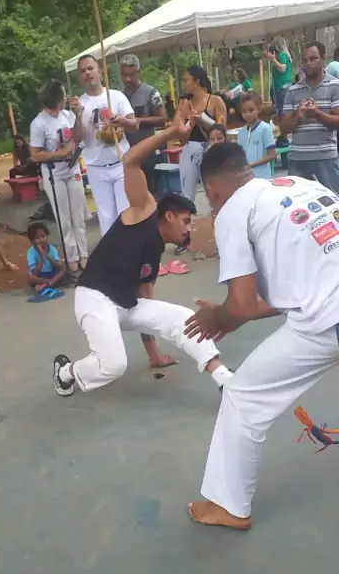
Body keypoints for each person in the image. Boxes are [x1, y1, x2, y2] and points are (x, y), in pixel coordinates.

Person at [184, 142, 339, 529]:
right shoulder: (300, 185)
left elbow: (239, 306)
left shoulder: (231, 211)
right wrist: (234, 314)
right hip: (327, 311)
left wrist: (219, 316)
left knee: (243, 395)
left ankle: (230, 506)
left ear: (212, 191)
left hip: (330, 320)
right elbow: (302, 289)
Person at [52, 101, 232, 397]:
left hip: (125, 304)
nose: (189, 229)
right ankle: (66, 372)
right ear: (169, 216)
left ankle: (224, 378)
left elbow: (147, 304)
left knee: (182, 317)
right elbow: (130, 162)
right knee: (113, 365)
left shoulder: (155, 251)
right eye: (186, 221)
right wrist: (171, 132)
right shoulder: (143, 211)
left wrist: (154, 355)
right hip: (94, 298)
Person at [74, 54, 139, 237]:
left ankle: (130, 251)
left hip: (121, 163)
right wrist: (78, 115)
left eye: (90, 68)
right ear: (80, 76)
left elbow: (134, 126)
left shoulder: (116, 96)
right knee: (106, 217)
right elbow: (77, 139)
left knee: (126, 213)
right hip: (96, 168)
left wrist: (122, 121)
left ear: (100, 71)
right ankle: (112, 252)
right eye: (83, 71)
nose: (87, 73)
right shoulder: (80, 104)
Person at [30, 78, 88, 272]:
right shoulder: (39, 123)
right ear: (56, 98)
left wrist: (78, 115)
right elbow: (35, 154)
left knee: (78, 215)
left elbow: (78, 136)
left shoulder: (67, 115)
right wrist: (59, 154)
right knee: (64, 217)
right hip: (54, 173)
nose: (66, 98)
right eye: (63, 95)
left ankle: (84, 254)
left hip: (72, 169)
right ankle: (72, 257)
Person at [281, 41, 339, 193]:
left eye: (313, 58)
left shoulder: (335, 86)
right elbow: (283, 128)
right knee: (297, 204)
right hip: (298, 159)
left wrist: (316, 113)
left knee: (333, 202)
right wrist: (298, 116)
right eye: (305, 60)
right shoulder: (293, 91)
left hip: (326, 158)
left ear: (323, 58)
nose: (308, 63)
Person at [179, 66, 227, 203]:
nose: (183, 84)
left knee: (215, 191)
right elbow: (182, 140)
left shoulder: (215, 101)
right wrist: (190, 124)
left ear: (197, 82)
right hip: (190, 149)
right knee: (186, 194)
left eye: (186, 80)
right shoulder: (185, 105)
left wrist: (203, 121)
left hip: (212, 148)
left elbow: (222, 130)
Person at [120, 54, 166, 193]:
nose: (128, 79)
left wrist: (139, 121)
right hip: (127, 153)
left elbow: (162, 119)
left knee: (150, 193)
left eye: (131, 74)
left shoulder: (151, 93)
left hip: (147, 152)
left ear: (138, 72)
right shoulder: (119, 96)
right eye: (125, 75)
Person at [237, 93, 276, 179]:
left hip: (262, 177)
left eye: (251, 110)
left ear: (259, 109)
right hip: (246, 178)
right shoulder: (241, 132)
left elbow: (271, 155)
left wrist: (250, 165)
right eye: (244, 111)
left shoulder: (265, 128)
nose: (247, 114)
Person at [26, 221, 65, 289]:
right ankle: (50, 283)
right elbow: (34, 272)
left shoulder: (52, 249)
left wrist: (48, 257)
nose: (41, 240)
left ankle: (48, 284)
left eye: (43, 236)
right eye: (37, 238)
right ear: (32, 241)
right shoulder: (31, 252)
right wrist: (42, 259)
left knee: (63, 271)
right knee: (31, 278)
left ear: (47, 236)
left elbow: (59, 267)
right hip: (40, 275)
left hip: (52, 273)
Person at [264, 35, 292, 118]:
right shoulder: (284, 55)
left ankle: (283, 124)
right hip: (283, 85)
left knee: (282, 111)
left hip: (282, 86)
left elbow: (282, 68)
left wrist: (273, 60)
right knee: (284, 109)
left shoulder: (281, 55)